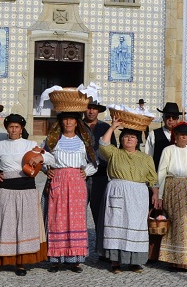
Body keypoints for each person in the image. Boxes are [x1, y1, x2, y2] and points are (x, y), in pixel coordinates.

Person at [0, 114, 48, 276]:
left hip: (26, 188)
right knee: (4, 223)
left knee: (24, 225)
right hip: (6, 189)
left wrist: (41, 156)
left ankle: (21, 263)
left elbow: (49, 158)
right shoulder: (0, 145)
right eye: (11, 127)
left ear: (21, 129)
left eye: (17, 127)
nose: (13, 130)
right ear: (7, 128)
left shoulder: (30, 144)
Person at [98, 118, 158, 273]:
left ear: (138, 140)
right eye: (125, 136)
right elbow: (103, 144)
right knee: (116, 226)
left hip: (138, 196)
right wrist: (112, 127)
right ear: (121, 140)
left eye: (132, 137)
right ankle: (115, 262)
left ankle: (134, 262)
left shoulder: (145, 158)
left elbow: (153, 178)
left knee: (135, 227)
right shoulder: (114, 153)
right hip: (118, 192)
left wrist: (155, 195)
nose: (129, 139)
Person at [42, 111, 98, 272]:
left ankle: (75, 259)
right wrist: (47, 171)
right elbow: (41, 158)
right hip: (58, 181)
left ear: (76, 123)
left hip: (76, 184)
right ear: (60, 123)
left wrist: (85, 171)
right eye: (65, 119)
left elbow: (95, 162)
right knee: (57, 218)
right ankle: (56, 259)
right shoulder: (52, 141)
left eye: (71, 120)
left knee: (76, 219)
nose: (68, 122)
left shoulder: (83, 142)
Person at [154, 122, 187, 271]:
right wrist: (159, 195)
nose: (184, 138)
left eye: (186, 136)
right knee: (176, 223)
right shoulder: (168, 150)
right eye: (181, 135)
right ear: (175, 136)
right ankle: (174, 259)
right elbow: (161, 172)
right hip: (173, 188)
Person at [82, 101, 115, 259]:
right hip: (80, 177)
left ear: (98, 111)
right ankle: (77, 250)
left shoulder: (105, 127)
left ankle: (103, 251)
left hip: (100, 176)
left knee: (101, 214)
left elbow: (112, 150)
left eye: (94, 108)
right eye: (88, 108)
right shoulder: (77, 126)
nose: (91, 111)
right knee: (78, 214)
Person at [146, 102, 180, 170]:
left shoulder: (184, 135)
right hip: (159, 174)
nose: (171, 119)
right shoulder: (153, 134)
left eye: (174, 117)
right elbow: (148, 157)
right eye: (168, 116)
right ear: (163, 118)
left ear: (177, 119)